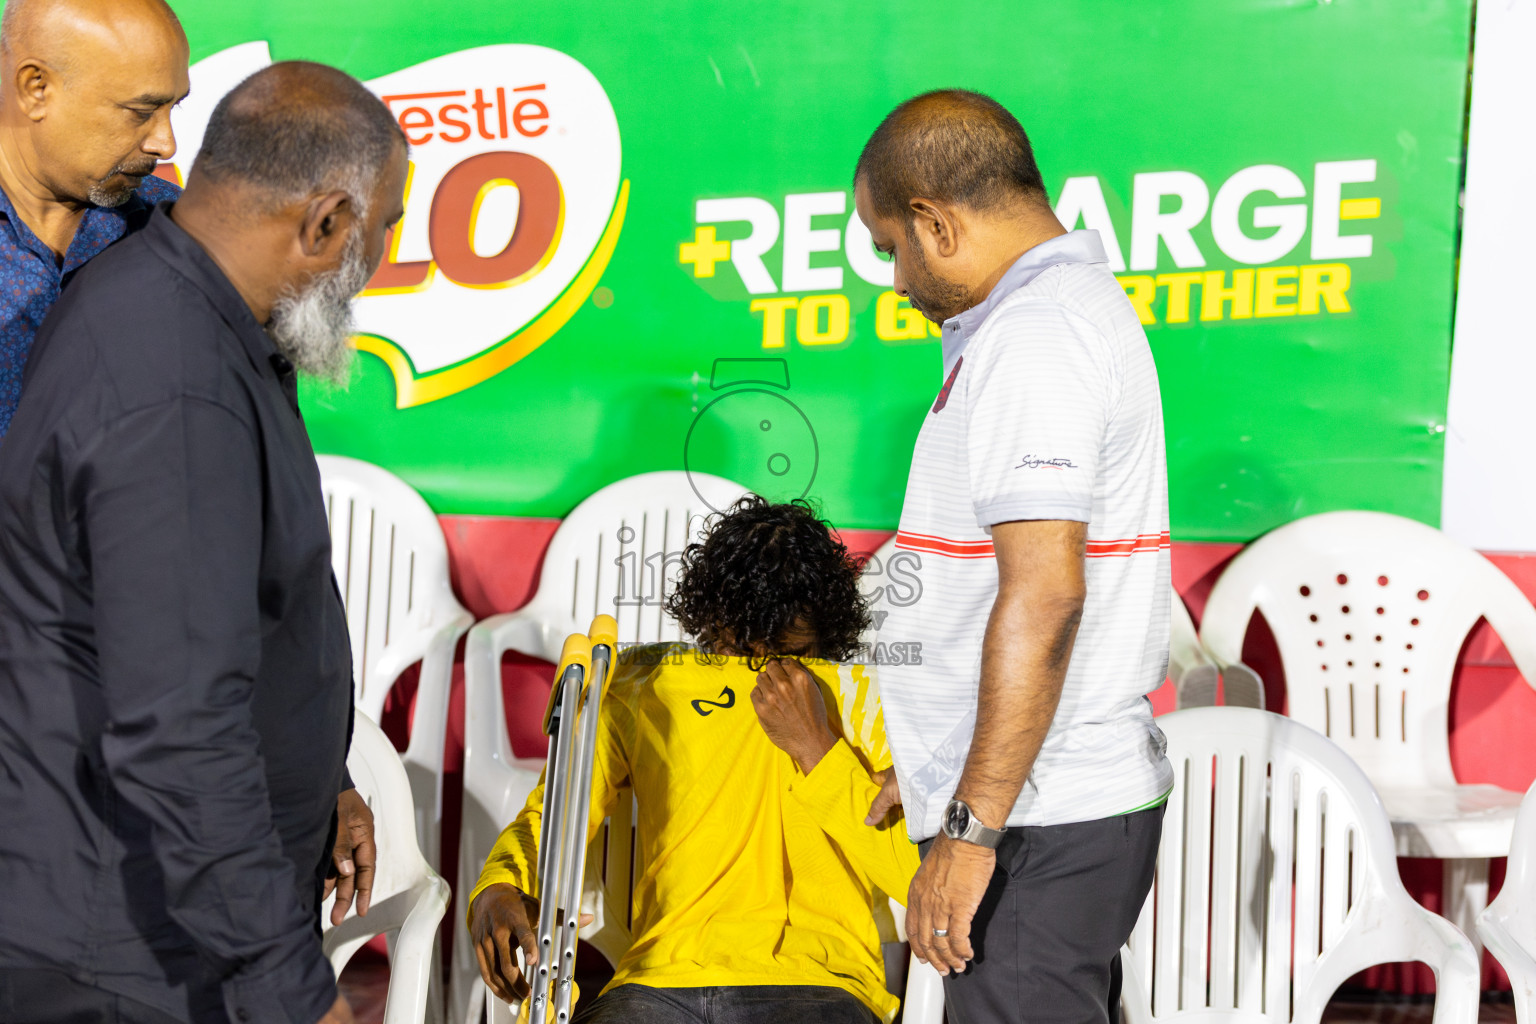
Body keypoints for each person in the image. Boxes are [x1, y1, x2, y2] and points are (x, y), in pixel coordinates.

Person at [0, 62, 408, 1024]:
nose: (386, 255)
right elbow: (179, 731)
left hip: (159, 913)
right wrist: (292, 990)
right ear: (325, 225)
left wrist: (322, 786)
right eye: (385, 227)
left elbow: (203, 630)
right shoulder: (175, 386)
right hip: (129, 949)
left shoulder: (193, 313)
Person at [852, 90, 1174, 1024]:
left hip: (1037, 815)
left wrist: (972, 825)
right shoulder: (1047, 317)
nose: (898, 280)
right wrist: (930, 761)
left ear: (934, 222)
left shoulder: (1036, 336)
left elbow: (1044, 601)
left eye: (891, 248)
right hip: (1036, 800)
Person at [468, 497, 919, 1024]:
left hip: (817, 984)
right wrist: (496, 886)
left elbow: (920, 879)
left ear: (824, 636)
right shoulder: (646, 683)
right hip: (659, 983)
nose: (762, 676)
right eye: (737, 653)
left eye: (787, 654)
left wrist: (817, 749)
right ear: (710, 626)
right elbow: (555, 812)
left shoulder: (866, 699)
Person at [0, 0, 189, 438]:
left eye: (173, 109)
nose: (166, 144)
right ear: (36, 88)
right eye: (141, 113)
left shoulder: (175, 231)